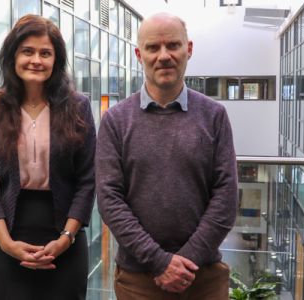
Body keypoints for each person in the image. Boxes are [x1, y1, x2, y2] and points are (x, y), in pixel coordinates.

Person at [95, 12, 238, 299]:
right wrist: (160, 262)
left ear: (189, 49)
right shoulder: (115, 120)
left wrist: (184, 262)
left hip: (203, 277)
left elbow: (226, 196)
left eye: (173, 45)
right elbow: (109, 199)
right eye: (153, 47)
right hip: (139, 281)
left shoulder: (214, 116)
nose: (164, 56)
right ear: (139, 54)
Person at [0, 14, 96, 300]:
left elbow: (87, 180)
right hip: (9, 230)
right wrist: (5, 243)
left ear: (56, 60)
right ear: (13, 56)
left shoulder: (79, 107)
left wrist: (66, 239)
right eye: (27, 51)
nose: (36, 60)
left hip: (65, 233)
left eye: (45, 53)